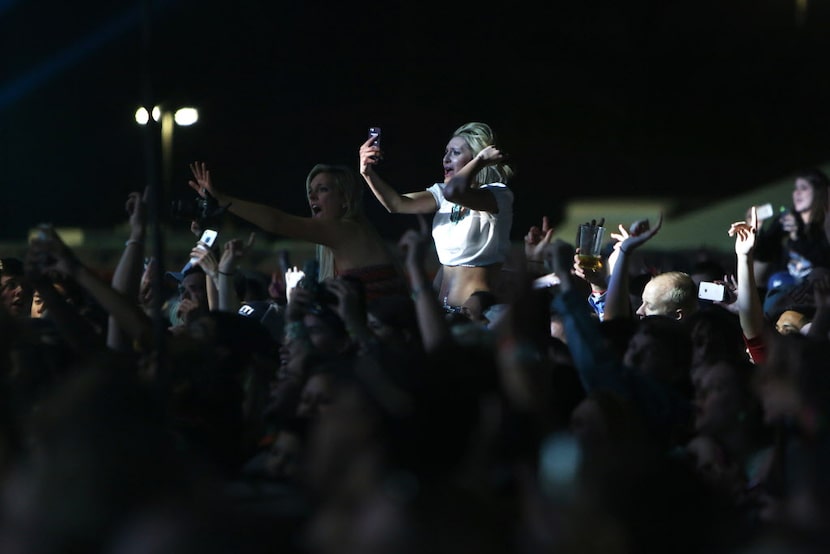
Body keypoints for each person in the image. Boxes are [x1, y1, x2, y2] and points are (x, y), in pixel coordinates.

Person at [188, 162, 407, 302]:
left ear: (345, 199)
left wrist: (223, 200)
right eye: (310, 192)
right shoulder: (342, 238)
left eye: (323, 190)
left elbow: (276, 222)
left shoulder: (348, 229)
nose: (312, 198)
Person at [359, 121, 514, 310]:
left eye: (455, 153)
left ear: (476, 158)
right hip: (444, 310)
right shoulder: (443, 193)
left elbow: (455, 192)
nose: (446, 159)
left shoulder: (496, 194)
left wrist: (481, 160)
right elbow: (396, 203)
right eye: (446, 152)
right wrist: (367, 173)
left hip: (478, 313)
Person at [754, 168, 830, 285]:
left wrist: (796, 236)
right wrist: (757, 230)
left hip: (815, 289)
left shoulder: (825, 224)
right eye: (796, 188)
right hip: (783, 287)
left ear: (818, 192)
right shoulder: (783, 221)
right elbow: (763, 255)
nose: (797, 193)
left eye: (803, 188)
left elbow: (822, 261)